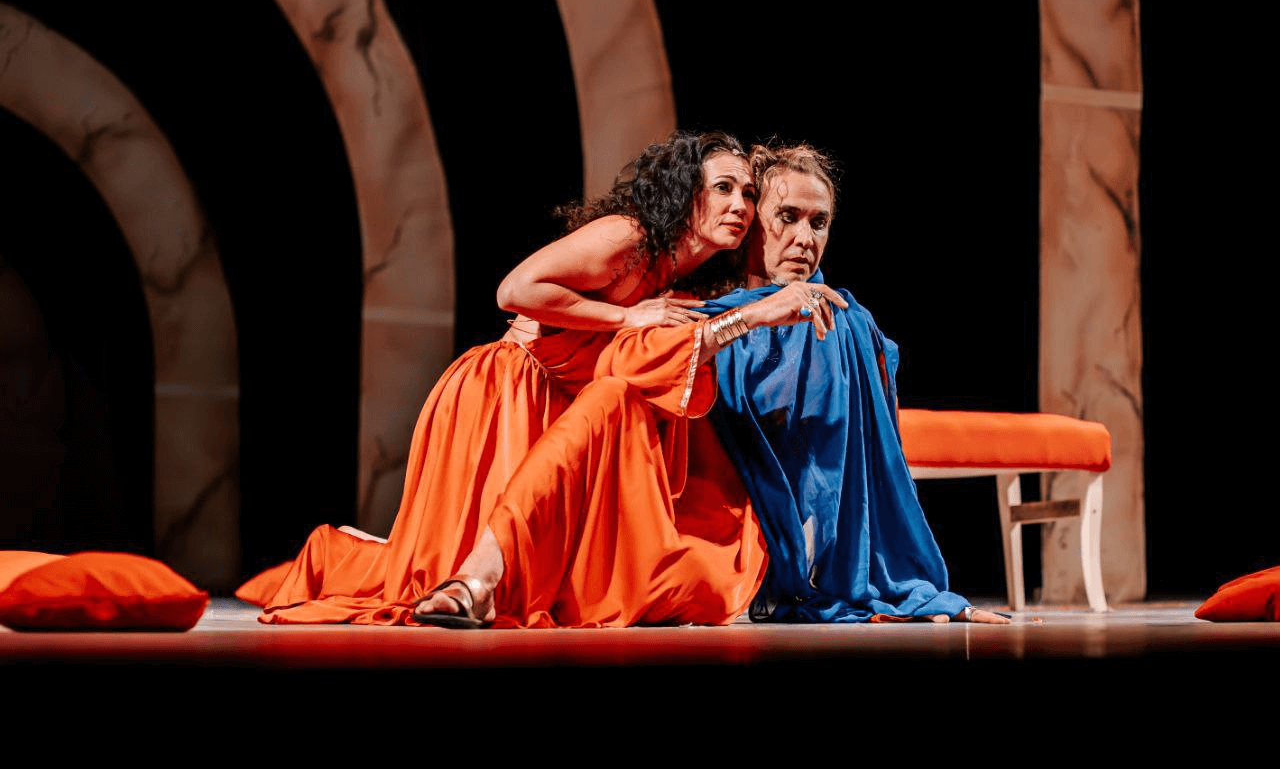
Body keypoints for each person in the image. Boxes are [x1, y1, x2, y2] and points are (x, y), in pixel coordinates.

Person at [252, 129, 766, 625]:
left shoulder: (680, 276)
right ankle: (340, 554)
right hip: (506, 387)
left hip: (553, 398)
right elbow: (515, 289)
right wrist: (625, 316)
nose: (739, 205)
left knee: (519, 568)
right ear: (686, 193)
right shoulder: (629, 236)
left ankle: (368, 556)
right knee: (469, 569)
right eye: (723, 187)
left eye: (748, 193)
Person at [695, 141, 1009, 624]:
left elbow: (829, 458)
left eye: (818, 222)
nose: (804, 238)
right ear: (752, 222)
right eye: (787, 217)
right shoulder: (705, 314)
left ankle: (830, 574)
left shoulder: (840, 322)